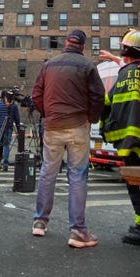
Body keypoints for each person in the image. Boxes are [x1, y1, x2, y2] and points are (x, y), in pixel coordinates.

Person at [30, 29, 104, 248]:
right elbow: (99, 95)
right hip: (78, 127)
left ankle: (40, 223)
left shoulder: (48, 65)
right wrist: (91, 118)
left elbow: (36, 94)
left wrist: (48, 114)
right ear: (82, 46)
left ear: (66, 43)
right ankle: (78, 232)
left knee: (47, 173)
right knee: (77, 176)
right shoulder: (88, 65)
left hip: (53, 126)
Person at [100, 28, 140, 247]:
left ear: (125, 50)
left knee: (135, 183)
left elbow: (109, 102)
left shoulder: (123, 75)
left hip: (129, 140)